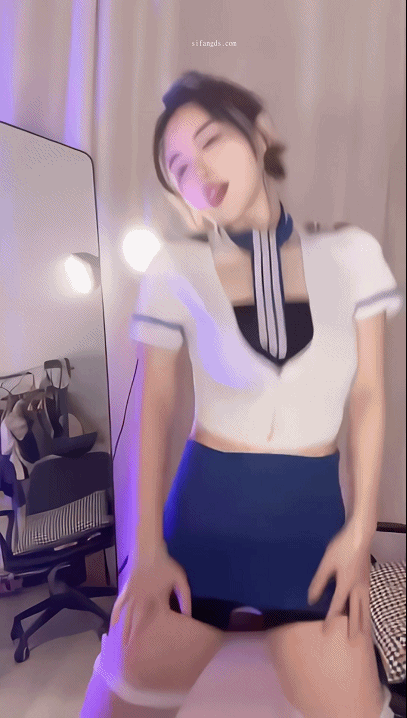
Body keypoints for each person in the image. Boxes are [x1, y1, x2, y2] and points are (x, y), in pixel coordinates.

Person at [83, 71, 403, 717]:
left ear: (259, 135)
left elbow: (369, 395)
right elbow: (156, 408)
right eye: (178, 166)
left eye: (210, 141)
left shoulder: (353, 255)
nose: (198, 169)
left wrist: (359, 528)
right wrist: (147, 547)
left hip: (310, 528)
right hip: (202, 521)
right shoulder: (174, 267)